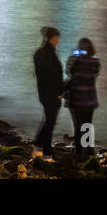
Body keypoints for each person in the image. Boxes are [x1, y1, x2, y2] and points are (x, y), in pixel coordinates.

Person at [63, 37, 101, 156]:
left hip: (75, 98)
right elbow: (95, 74)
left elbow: (68, 73)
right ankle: (89, 150)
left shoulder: (73, 60)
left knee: (77, 125)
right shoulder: (95, 62)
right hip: (89, 99)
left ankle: (79, 152)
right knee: (87, 124)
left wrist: (74, 59)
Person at [32, 26, 64, 158]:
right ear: (51, 38)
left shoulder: (42, 53)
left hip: (45, 92)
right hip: (50, 93)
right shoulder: (47, 54)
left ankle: (38, 144)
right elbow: (51, 76)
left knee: (49, 120)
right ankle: (47, 153)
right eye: (56, 38)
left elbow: (43, 75)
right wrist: (59, 91)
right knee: (50, 122)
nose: (58, 41)